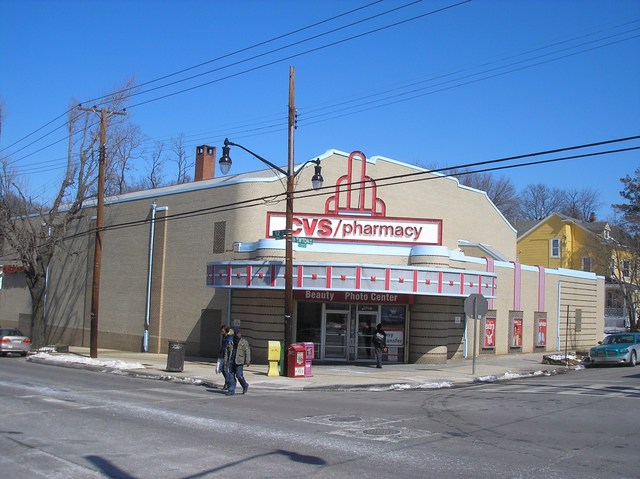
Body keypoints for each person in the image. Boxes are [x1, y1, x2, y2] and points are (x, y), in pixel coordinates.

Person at [224, 328, 251, 396]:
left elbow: (247, 351)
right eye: (238, 333)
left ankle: (245, 385)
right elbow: (227, 352)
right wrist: (225, 362)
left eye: (239, 333)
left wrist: (248, 360)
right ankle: (231, 390)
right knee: (231, 376)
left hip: (239, 361)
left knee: (239, 375)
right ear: (235, 334)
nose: (239, 334)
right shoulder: (231, 341)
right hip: (231, 361)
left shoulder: (244, 342)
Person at [218, 325, 234, 391]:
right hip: (223, 354)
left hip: (227, 355)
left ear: (226, 331)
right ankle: (227, 382)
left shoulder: (229, 338)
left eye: (222, 331)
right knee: (222, 368)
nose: (221, 332)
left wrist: (229, 358)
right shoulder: (224, 336)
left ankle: (228, 382)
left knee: (225, 368)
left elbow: (229, 349)